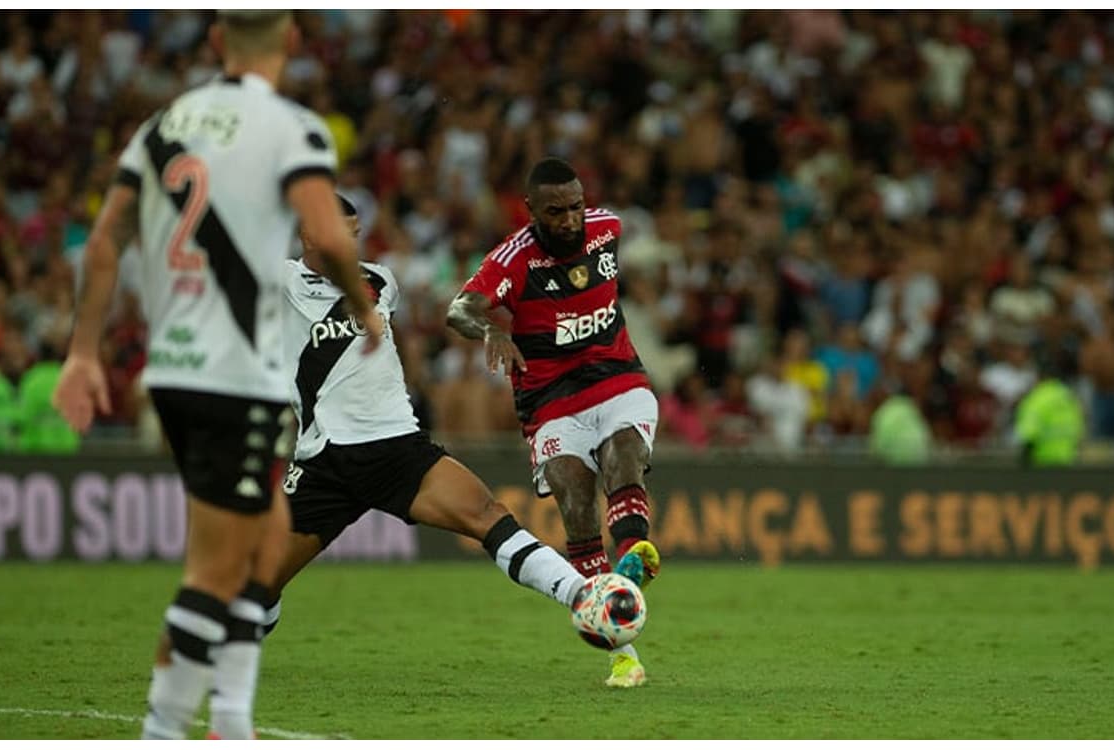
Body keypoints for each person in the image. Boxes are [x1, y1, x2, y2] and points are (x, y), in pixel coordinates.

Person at [52, 11, 383, 740]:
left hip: (172, 373)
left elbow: (105, 241)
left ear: (214, 43)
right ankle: (164, 729)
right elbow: (327, 233)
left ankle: (231, 720)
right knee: (216, 570)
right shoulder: (293, 127)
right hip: (238, 375)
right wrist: (366, 309)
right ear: (291, 43)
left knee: (265, 547)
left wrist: (82, 352)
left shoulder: (162, 127)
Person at [266, 194, 594, 650]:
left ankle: (586, 595)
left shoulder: (380, 281)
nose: (354, 242)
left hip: (397, 448)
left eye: (357, 233)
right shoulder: (279, 282)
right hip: (325, 461)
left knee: (489, 516)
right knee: (254, 588)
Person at [447, 157, 661, 688]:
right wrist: (489, 329)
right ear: (532, 211)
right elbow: (458, 310)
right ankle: (620, 647)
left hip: (617, 380)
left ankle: (634, 556)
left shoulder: (607, 229)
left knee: (624, 453)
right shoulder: (514, 258)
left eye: (575, 207)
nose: (569, 220)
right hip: (549, 401)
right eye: (555, 212)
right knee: (573, 493)